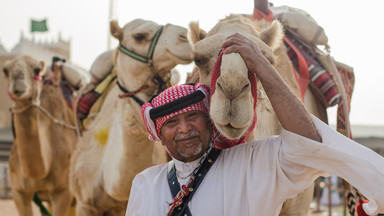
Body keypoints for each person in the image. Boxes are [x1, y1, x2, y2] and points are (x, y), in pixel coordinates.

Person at [125, 33, 384, 216]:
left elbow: (310, 144)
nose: (184, 128)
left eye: (192, 116)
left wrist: (261, 65)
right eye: (171, 122)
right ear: (158, 131)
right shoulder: (145, 183)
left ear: (209, 119)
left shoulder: (255, 164)